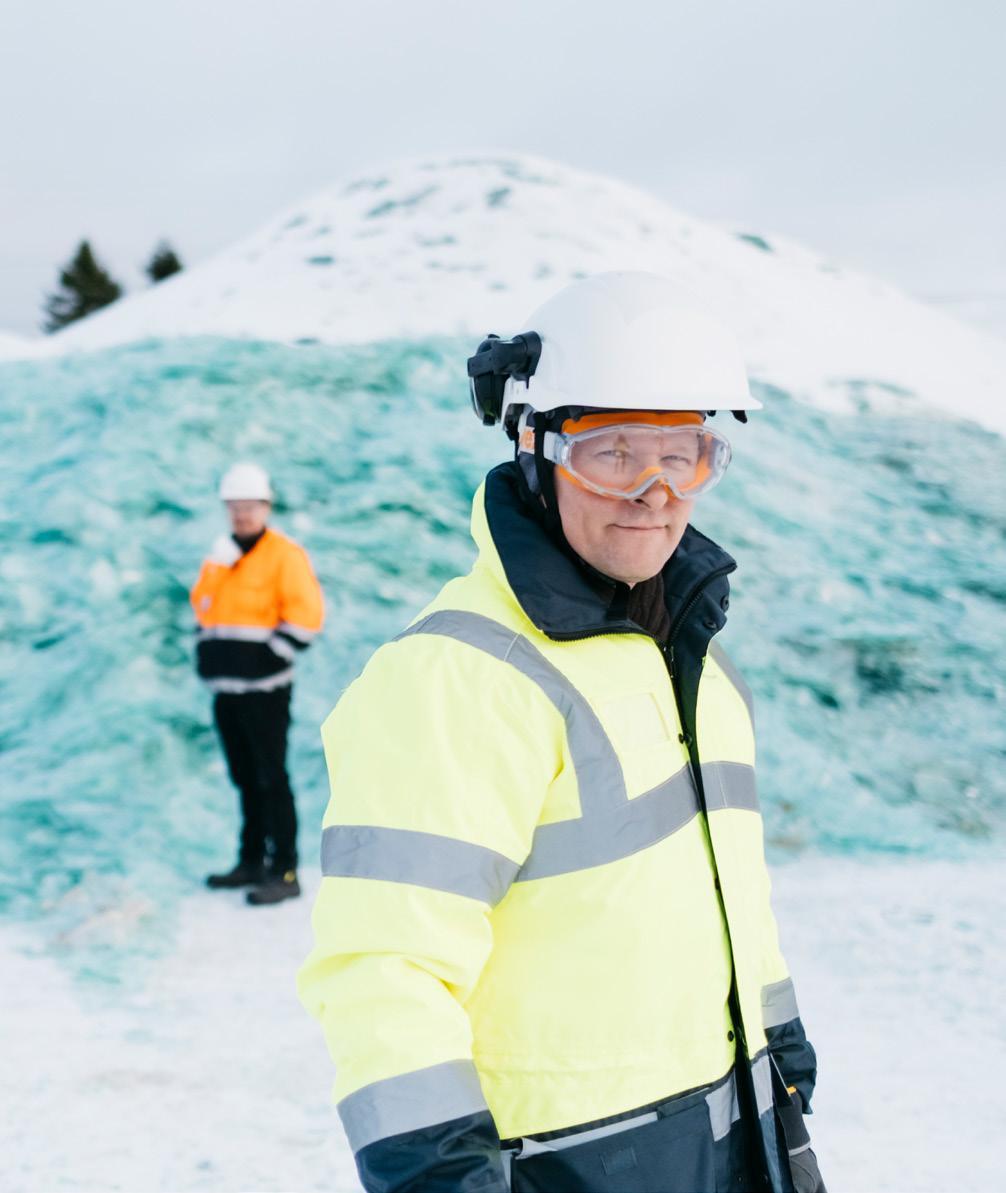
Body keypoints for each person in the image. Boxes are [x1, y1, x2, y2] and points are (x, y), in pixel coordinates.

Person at [298, 273, 825, 1191]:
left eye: (683, 454)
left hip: (729, 1134)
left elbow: (727, 887)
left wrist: (777, 1046)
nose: (655, 491)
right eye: (613, 453)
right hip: (562, 1163)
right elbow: (384, 967)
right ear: (538, 448)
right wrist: (440, 1175)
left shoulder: (693, 662)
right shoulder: (462, 676)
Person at [191, 462, 324, 906]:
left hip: (265, 691)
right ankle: (250, 861)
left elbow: (306, 615)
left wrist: (270, 658)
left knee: (271, 777)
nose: (242, 515)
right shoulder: (221, 555)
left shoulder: (284, 555)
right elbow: (204, 609)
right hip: (226, 690)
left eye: (250, 506)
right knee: (244, 777)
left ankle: (284, 868)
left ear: (266, 507)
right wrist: (207, 653)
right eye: (234, 507)